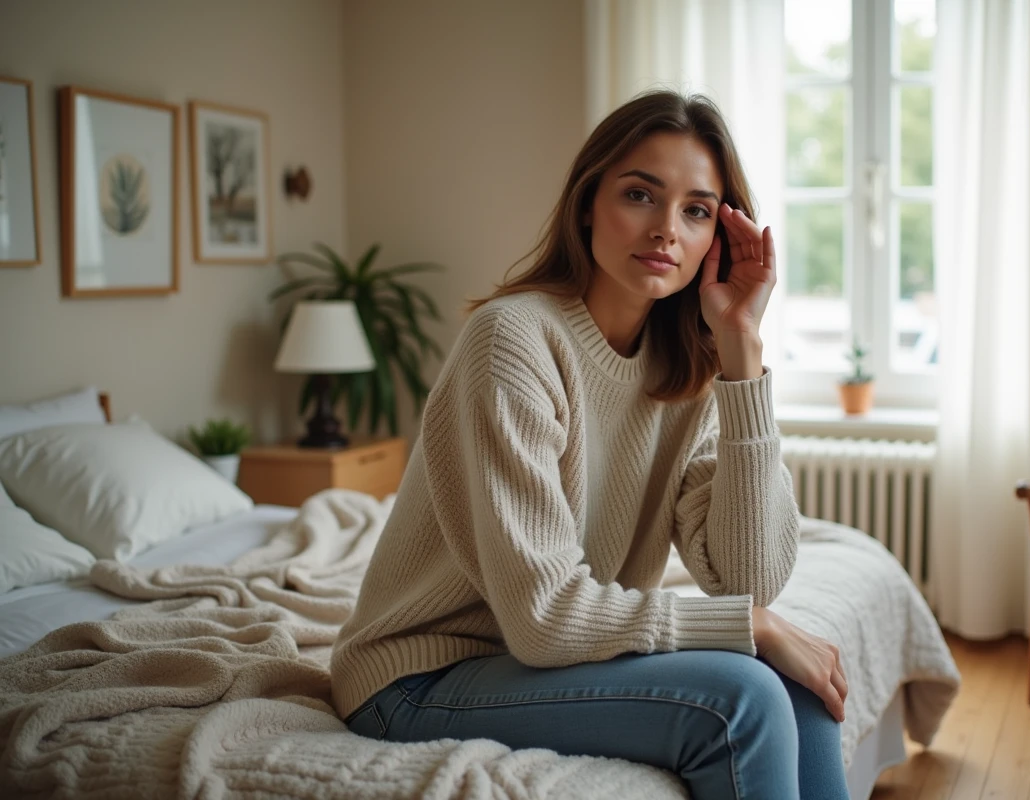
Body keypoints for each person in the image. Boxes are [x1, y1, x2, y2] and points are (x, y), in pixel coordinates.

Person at [331, 89, 851, 800]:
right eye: (641, 194)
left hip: (555, 662)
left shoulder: (691, 372)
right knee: (744, 699)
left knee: (802, 688)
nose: (667, 229)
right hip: (418, 678)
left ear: (717, 239)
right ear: (587, 203)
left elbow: (748, 580)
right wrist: (749, 627)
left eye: (697, 210)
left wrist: (742, 352)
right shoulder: (513, 341)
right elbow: (545, 617)